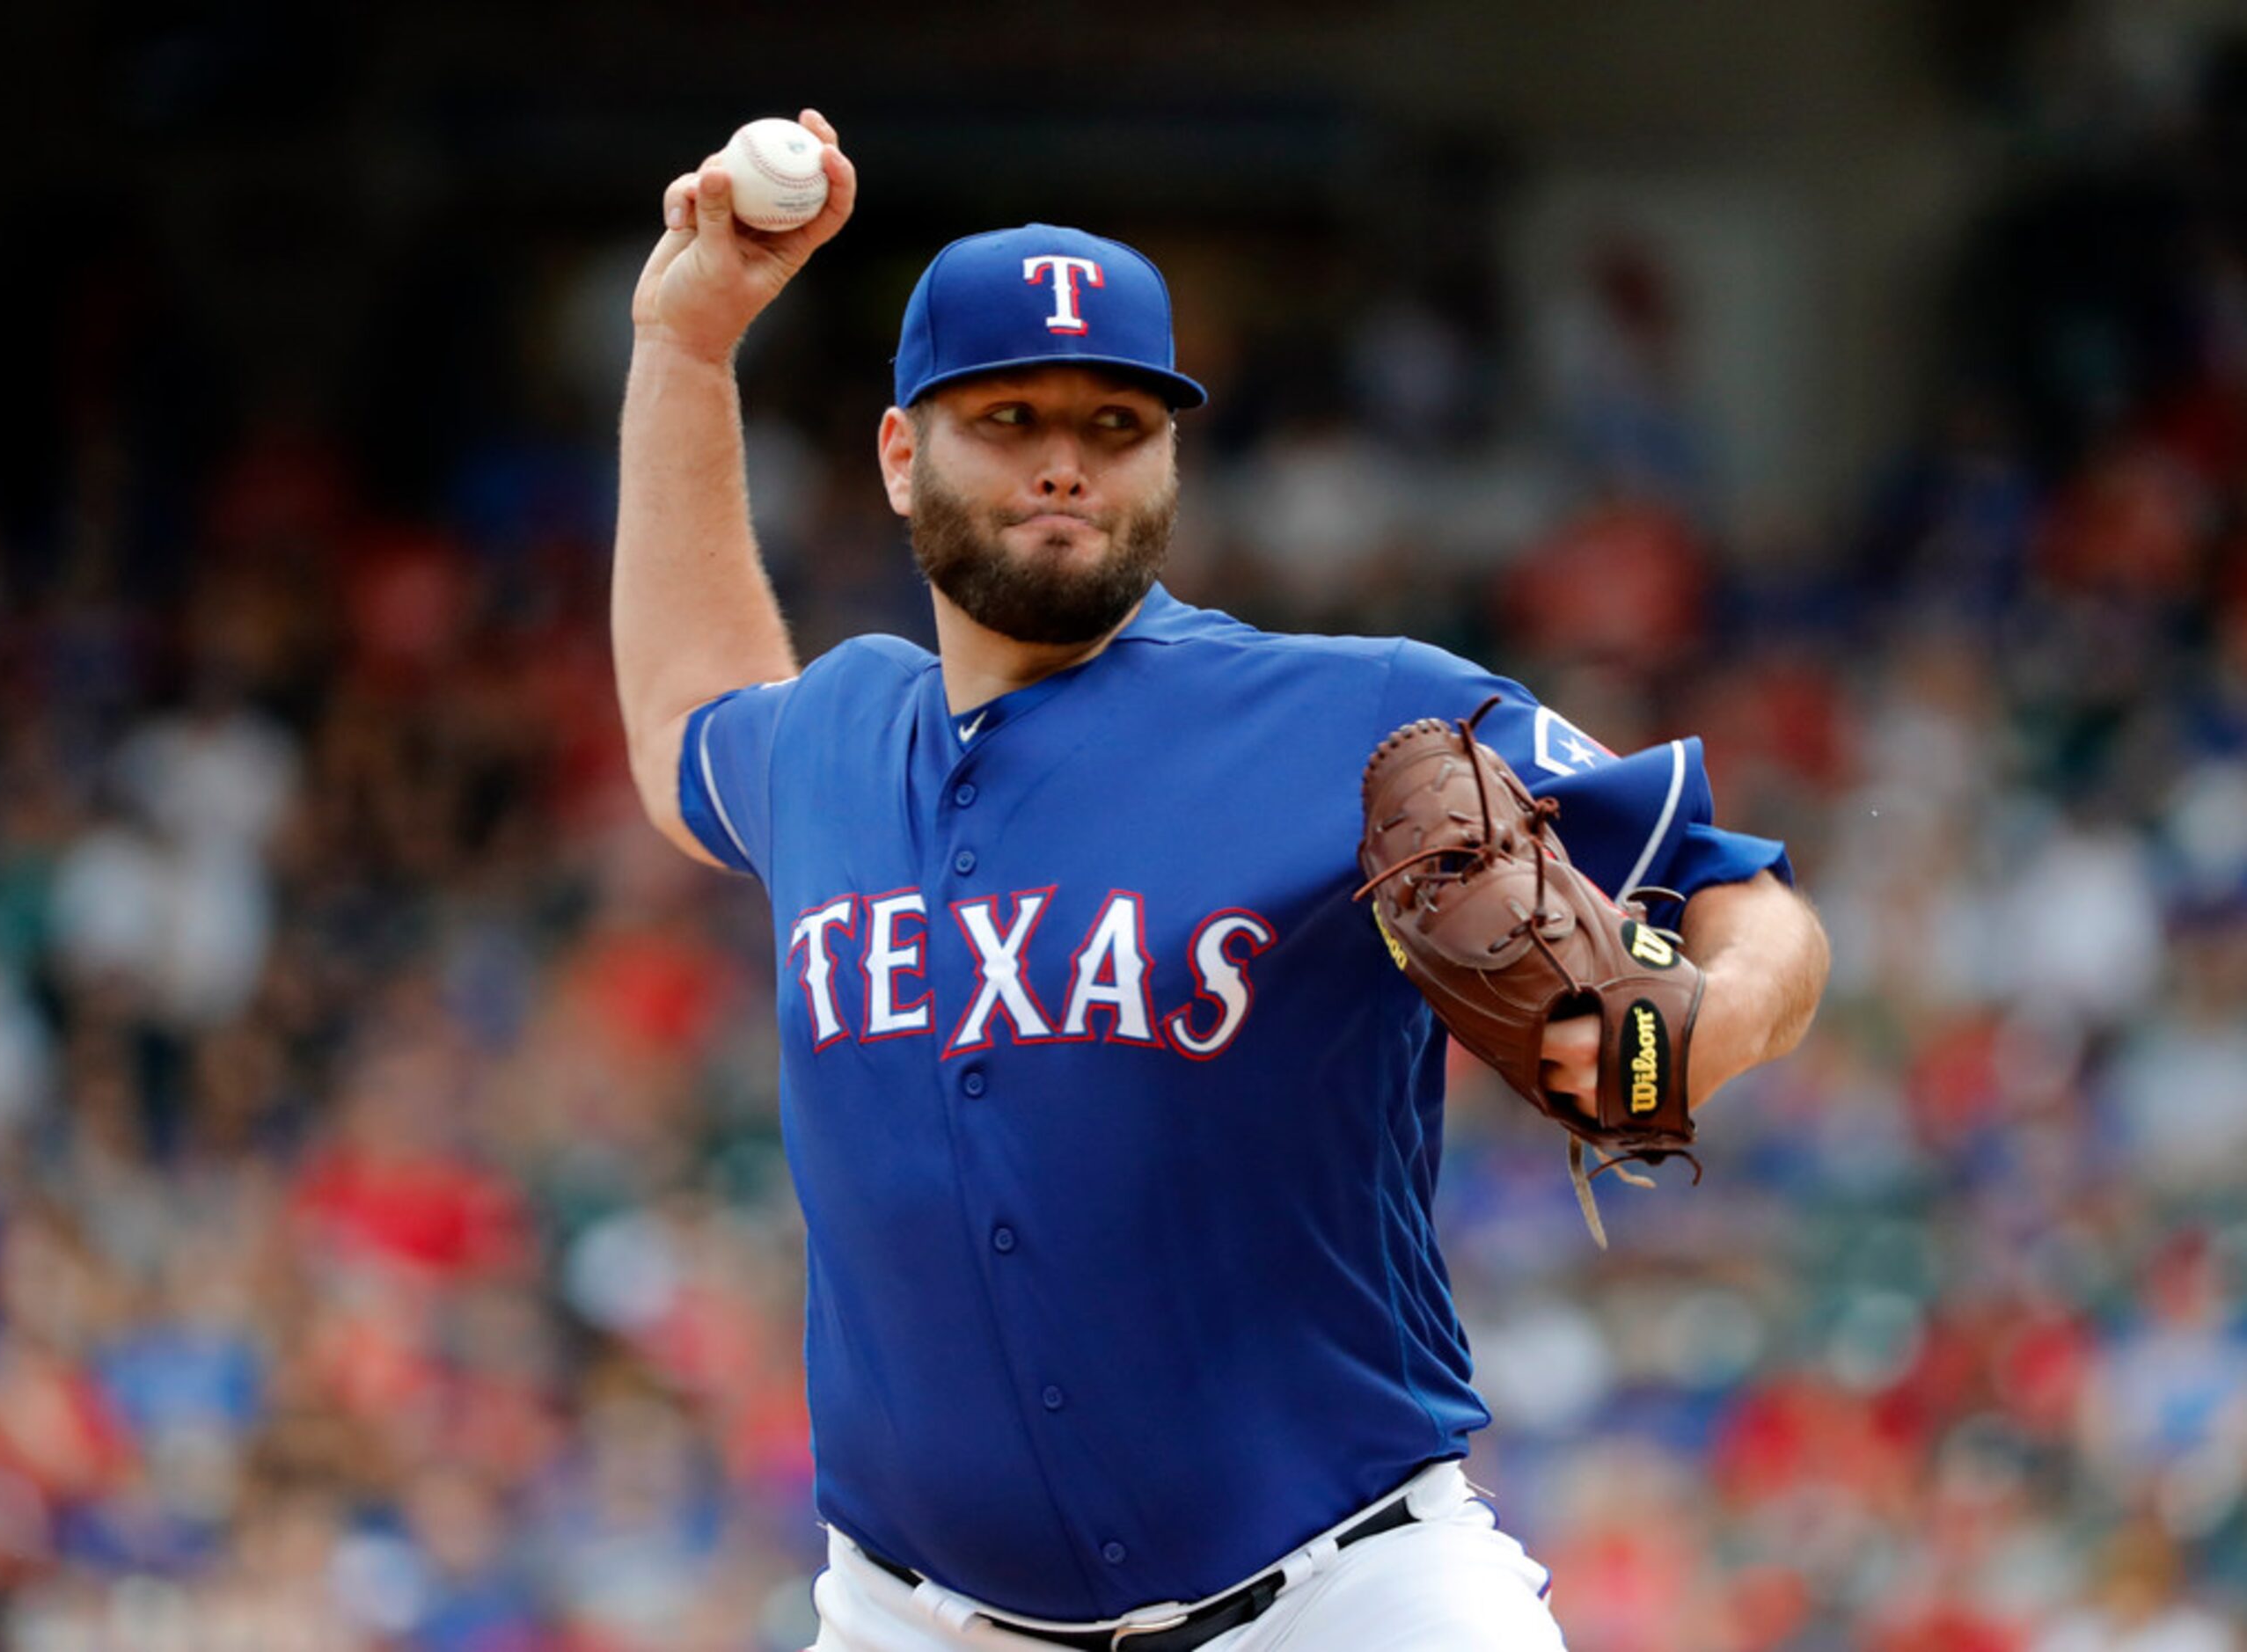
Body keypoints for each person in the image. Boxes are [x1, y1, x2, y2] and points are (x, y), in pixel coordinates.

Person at [612, 110, 1830, 1652]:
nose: (1065, 465)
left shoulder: (1358, 708)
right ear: (901, 453)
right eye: (1009, 420)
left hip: (1344, 1600)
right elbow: (676, 732)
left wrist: (1676, 1034)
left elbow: (1749, 895)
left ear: (1173, 454)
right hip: (911, 1620)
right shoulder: (834, 735)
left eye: (1116, 426)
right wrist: (688, 347)